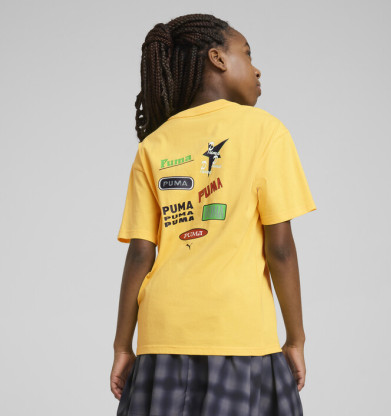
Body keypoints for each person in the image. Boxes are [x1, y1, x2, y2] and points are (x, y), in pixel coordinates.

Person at [110, 13, 317, 416]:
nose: (257, 69)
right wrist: (295, 339)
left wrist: (122, 346)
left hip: (162, 338)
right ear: (217, 58)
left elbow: (139, 254)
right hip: (238, 334)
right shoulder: (266, 131)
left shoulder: (154, 145)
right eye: (247, 54)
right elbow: (280, 250)